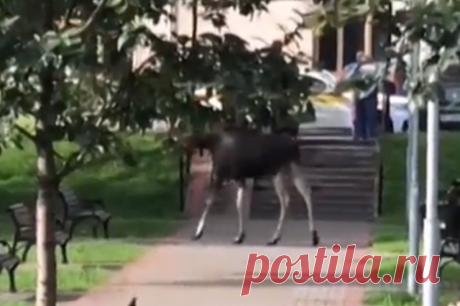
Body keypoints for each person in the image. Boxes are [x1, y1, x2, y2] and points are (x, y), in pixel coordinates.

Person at [343, 52, 379, 140]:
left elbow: (376, 77)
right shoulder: (354, 67)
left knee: (370, 115)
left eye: (363, 58)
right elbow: (348, 75)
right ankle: (359, 134)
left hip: (370, 94)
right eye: (358, 58)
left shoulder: (373, 67)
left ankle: (369, 134)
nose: (360, 60)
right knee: (358, 115)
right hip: (358, 94)